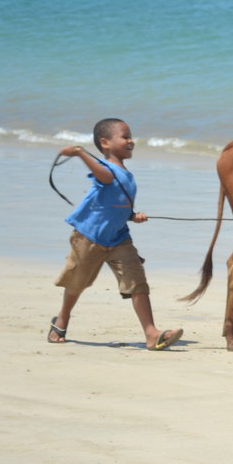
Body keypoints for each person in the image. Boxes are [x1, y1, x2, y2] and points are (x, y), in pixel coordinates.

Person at [48, 118, 184, 351]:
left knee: (137, 281)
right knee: (77, 283)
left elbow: (117, 205)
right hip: (89, 237)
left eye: (131, 136)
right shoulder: (106, 170)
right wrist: (80, 153)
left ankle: (151, 334)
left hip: (119, 237)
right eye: (125, 136)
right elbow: (105, 177)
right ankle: (61, 320)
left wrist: (133, 216)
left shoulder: (128, 175)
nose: (131, 141)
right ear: (105, 143)